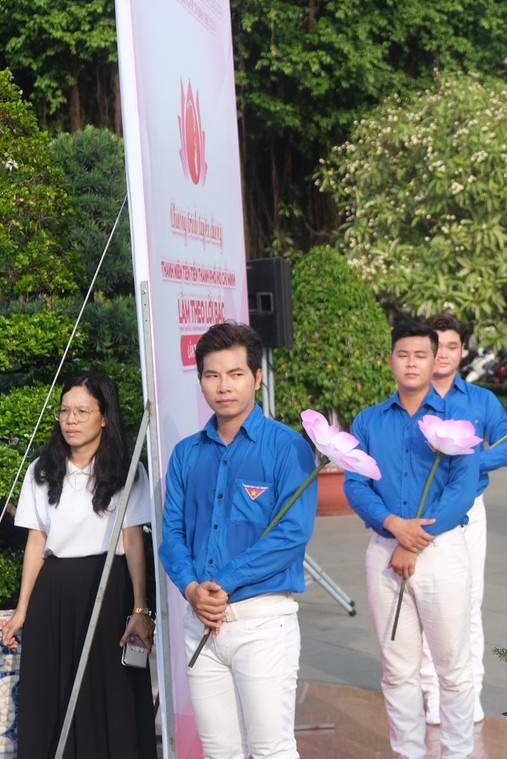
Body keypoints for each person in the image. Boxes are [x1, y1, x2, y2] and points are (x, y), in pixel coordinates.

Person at [159, 322, 319, 759]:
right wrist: (193, 589)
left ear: (257, 377)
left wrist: (223, 581)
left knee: (271, 749)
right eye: (212, 375)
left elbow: (292, 534)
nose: (223, 386)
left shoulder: (289, 448)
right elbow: (171, 534)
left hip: (263, 622)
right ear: (201, 381)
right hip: (201, 623)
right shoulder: (187, 454)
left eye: (235, 374)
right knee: (219, 750)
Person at [2, 373, 156, 759]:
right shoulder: (42, 469)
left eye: (82, 411)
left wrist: (140, 608)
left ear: (104, 417)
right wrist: (22, 609)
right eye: (65, 411)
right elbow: (37, 542)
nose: (71, 419)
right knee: (50, 692)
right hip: (53, 592)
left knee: (110, 691)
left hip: (110, 587)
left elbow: (133, 539)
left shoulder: (127, 471)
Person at [345, 321, 480, 759]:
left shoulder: (453, 421)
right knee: (397, 669)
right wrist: (391, 525)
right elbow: (355, 484)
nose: (411, 363)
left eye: (421, 355)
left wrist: (413, 537)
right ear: (391, 360)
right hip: (384, 551)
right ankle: (408, 752)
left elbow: (462, 491)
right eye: (403, 354)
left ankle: (458, 752)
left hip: (439, 553)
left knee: (453, 669)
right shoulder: (368, 421)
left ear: (436, 359)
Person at [414, 312, 507, 726]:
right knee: (423, 605)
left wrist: (469, 464)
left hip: (468, 511)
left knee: (468, 602)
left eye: (452, 346)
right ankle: (431, 693)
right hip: (419, 515)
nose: (443, 354)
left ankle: (469, 690)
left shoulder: (479, 400)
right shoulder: (411, 397)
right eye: (435, 346)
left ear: (463, 351)